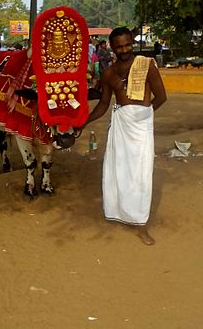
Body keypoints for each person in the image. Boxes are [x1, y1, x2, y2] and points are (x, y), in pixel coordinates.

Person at [85, 27, 167, 245]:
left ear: (132, 42)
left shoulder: (146, 65)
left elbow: (161, 97)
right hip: (120, 127)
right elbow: (104, 104)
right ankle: (120, 212)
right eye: (119, 46)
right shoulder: (109, 73)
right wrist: (83, 122)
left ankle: (141, 225)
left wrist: (142, 116)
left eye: (127, 44)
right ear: (112, 47)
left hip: (140, 128)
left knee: (141, 174)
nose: (124, 49)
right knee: (118, 171)